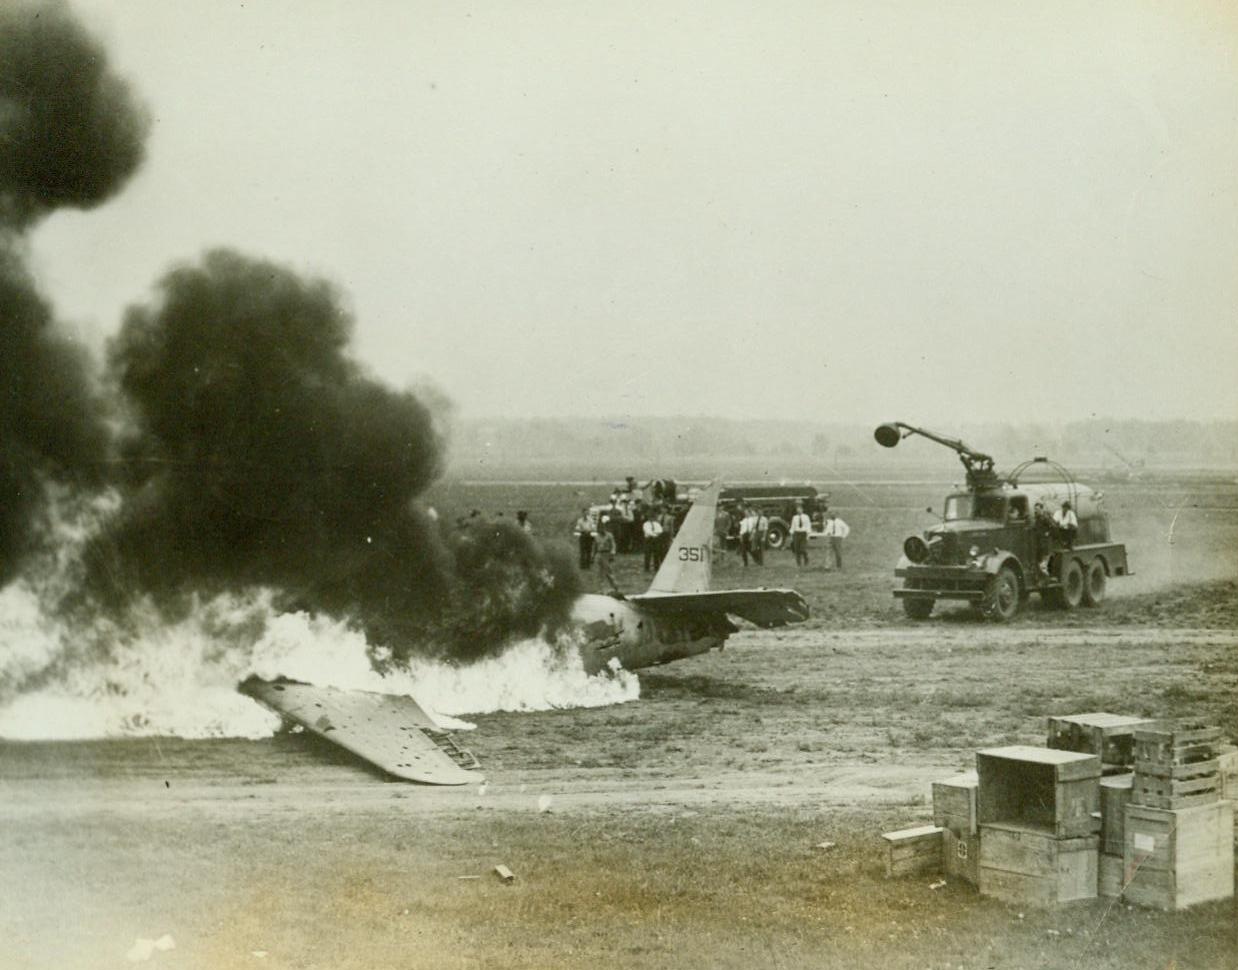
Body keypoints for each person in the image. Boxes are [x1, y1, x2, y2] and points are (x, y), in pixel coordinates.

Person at [595, 517, 619, 593]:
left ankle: (615, 586)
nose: (601, 529)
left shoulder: (609, 535)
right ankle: (600, 589)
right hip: (599, 554)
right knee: (600, 572)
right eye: (599, 528)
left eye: (602, 527)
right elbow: (595, 546)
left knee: (608, 571)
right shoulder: (597, 536)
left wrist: (612, 553)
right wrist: (594, 556)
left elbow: (613, 545)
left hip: (606, 553)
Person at [789, 501, 812, 567]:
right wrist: (791, 535)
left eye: (800, 509)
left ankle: (806, 558)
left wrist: (808, 535)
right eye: (797, 509)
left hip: (803, 533)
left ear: (802, 510)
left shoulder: (806, 517)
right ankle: (799, 564)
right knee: (797, 550)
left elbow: (808, 526)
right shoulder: (794, 517)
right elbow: (793, 527)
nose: (798, 510)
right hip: (796, 534)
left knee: (802, 549)